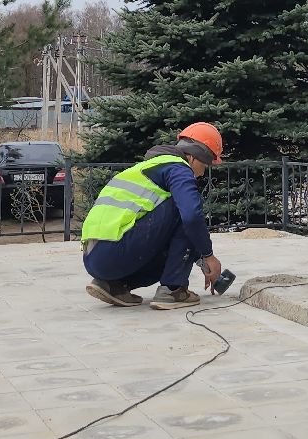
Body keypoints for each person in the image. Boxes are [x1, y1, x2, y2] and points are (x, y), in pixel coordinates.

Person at [79, 122, 225, 310]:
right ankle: (173, 290)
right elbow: (190, 217)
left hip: (95, 257)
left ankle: (115, 286)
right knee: (186, 206)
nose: (203, 172)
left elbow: (170, 237)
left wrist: (199, 258)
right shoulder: (178, 168)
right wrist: (209, 255)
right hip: (114, 249)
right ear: (194, 157)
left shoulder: (150, 166)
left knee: (183, 217)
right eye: (206, 165)